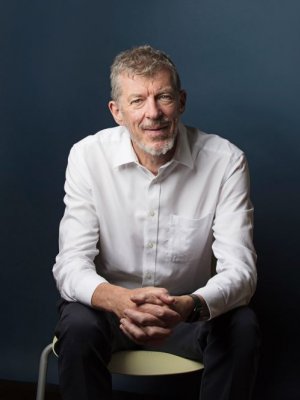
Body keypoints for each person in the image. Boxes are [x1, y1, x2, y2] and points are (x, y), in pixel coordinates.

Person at [53, 45, 260, 400]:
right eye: (137, 101)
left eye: (163, 97)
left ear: (181, 101)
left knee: (242, 326)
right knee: (77, 323)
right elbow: (70, 265)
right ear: (116, 112)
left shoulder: (225, 161)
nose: (153, 113)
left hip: (189, 317)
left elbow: (241, 272)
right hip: (111, 314)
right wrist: (118, 300)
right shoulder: (87, 156)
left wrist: (188, 306)